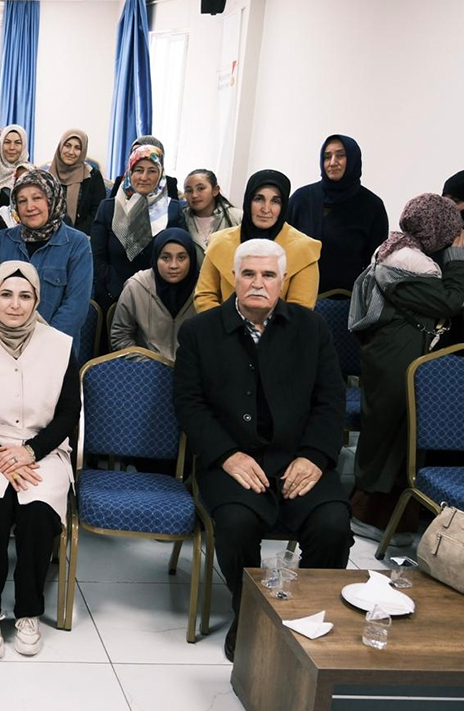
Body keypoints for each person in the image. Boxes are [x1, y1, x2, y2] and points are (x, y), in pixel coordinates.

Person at [173, 237, 352, 662]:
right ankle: (250, 614)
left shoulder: (312, 328)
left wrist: (314, 456)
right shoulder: (199, 331)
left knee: (332, 525)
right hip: (231, 459)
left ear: (283, 281)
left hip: (299, 457)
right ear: (234, 278)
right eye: (249, 274)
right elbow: (189, 405)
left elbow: (331, 400)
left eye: (268, 275)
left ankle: (305, 615)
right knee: (236, 523)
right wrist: (227, 455)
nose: (258, 283)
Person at [0, 260, 79, 659]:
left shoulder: (60, 346)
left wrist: (30, 451)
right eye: (6, 294)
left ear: (37, 300)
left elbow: (68, 414)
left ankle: (28, 612)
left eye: (25, 296)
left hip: (42, 448)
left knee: (36, 514)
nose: (15, 304)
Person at [348, 194, 464, 544]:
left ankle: (392, 522)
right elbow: (450, 301)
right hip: (396, 359)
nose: (454, 237)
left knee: (401, 437)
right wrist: (457, 258)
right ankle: (367, 516)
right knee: (389, 437)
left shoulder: (401, 252)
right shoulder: (405, 263)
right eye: (451, 230)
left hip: (397, 355)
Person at [0, 168, 93, 343]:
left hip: (55, 348)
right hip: (2, 347)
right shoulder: (2, 240)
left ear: (51, 200)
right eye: (22, 201)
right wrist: (6, 342)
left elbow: (75, 307)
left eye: (37, 198)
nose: (29, 207)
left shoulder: (77, 244)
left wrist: (38, 347)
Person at [194, 170, 320, 312]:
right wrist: (227, 324)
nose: (266, 209)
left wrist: (263, 325)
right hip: (222, 324)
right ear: (248, 201)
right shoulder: (220, 242)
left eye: (275, 201)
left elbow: (300, 310)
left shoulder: (303, 248)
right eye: (258, 199)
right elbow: (204, 296)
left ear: (284, 205)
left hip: (282, 326)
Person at [287, 134, 390, 294]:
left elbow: (376, 266)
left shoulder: (371, 206)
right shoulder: (301, 199)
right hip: (297, 297)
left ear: (353, 159)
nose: (333, 162)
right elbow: (283, 248)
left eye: (340, 155)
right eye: (327, 157)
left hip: (347, 302)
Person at [90, 144, 186, 309]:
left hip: (158, 298)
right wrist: (120, 292)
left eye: (152, 171)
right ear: (130, 172)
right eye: (139, 170)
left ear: (160, 174)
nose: (144, 177)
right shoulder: (109, 208)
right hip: (112, 296)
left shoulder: (172, 210)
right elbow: (97, 257)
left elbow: (178, 258)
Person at [109, 227, 198, 360]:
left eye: (181, 257)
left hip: (193, 368)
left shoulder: (204, 289)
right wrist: (148, 365)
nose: (173, 265)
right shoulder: (136, 287)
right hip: (145, 368)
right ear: (156, 258)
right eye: (165, 258)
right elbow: (120, 336)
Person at [44, 129, 106, 234]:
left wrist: (74, 235)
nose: (71, 152)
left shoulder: (92, 176)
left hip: (82, 235)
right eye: (67, 146)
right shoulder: (45, 176)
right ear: (60, 147)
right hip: (47, 233)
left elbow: (97, 212)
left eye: (78, 148)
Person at [181, 169, 242, 264]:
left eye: (200, 188)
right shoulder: (180, 218)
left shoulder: (237, 217)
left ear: (215, 190)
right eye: (189, 191)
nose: (194, 195)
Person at [108, 135, 180, 200]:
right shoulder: (121, 181)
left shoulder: (168, 183)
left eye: (142, 151)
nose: (137, 155)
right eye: (134, 152)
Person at [0, 125, 29, 220]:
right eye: (7, 142)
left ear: (24, 146)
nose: (12, 147)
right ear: (1, 145)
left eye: (18, 143)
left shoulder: (29, 174)